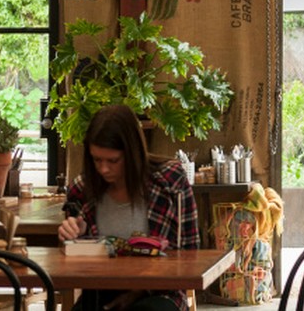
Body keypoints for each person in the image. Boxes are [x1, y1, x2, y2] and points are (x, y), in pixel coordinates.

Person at [57, 104, 200, 311]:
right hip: (100, 295)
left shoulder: (169, 181)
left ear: (132, 153)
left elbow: (190, 256)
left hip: (159, 293)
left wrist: (139, 292)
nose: (103, 169)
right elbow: (71, 264)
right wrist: (72, 238)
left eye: (113, 160)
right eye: (97, 160)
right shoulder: (83, 189)